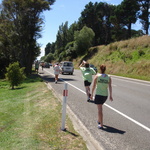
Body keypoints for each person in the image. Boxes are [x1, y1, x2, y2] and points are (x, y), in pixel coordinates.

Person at [90, 64, 113, 129]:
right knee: (100, 108)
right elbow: (110, 86)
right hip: (105, 95)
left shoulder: (97, 76)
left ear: (100, 69)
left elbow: (93, 86)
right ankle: (99, 120)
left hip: (99, 94)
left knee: (100, 109)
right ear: (105, 69)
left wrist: (91, 94)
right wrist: (110, 95)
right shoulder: (108, 77)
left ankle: (101, 124)